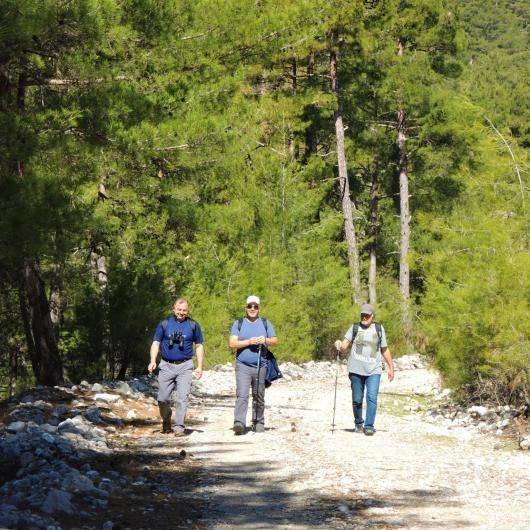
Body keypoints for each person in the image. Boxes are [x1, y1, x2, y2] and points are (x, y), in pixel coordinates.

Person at [334, 303, 394, 435]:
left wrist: (391, 367)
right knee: (357, 399)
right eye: (362, 315)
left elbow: (384, 349)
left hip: (374, 370)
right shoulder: (354, 327)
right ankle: (358, 423)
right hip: (355, 370)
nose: (364, 317)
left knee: (372, 397)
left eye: (367, 315)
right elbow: (344, 345)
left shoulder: (379, 329)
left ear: (373, 316)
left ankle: (369, 426)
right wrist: (339, 344)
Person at [148, 298, 204, 435]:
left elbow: (199, 345)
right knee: (162, 399)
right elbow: (156, 343)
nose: (181, 313)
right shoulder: (165, 324)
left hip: (185, 366)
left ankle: (179, 426)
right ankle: (166, 420)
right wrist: (153, 360)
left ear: (188, 311)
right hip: (166, 365)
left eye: (184, 310)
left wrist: (200, 366)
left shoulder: (193, 325)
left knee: (182, 398)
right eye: (179, 310)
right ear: (174, 309)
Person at [229, 295, 278, 434]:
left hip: (260, 365)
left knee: (259, 395)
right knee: (242, 395)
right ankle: (239, 422)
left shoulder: (265, 323)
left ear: (259, 308)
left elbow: (275, 340)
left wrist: (265, 340)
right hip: (242, 365)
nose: (252, 309)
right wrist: (249, 342)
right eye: (250, 306)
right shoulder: (238, 323)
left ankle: (258, 422)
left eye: (255, 306)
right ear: (245, 308)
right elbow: (232, 343)